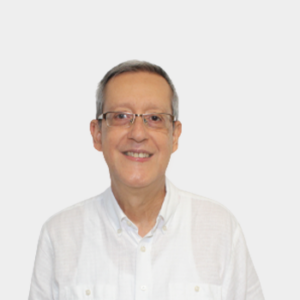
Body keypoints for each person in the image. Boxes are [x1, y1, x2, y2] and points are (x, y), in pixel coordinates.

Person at [28, 60, 264, 300]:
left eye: (154, 118)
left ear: (175, 135)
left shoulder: (220, 230)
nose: (138, 133)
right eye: (121, 116)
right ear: (97, 133)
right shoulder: (59, 235)